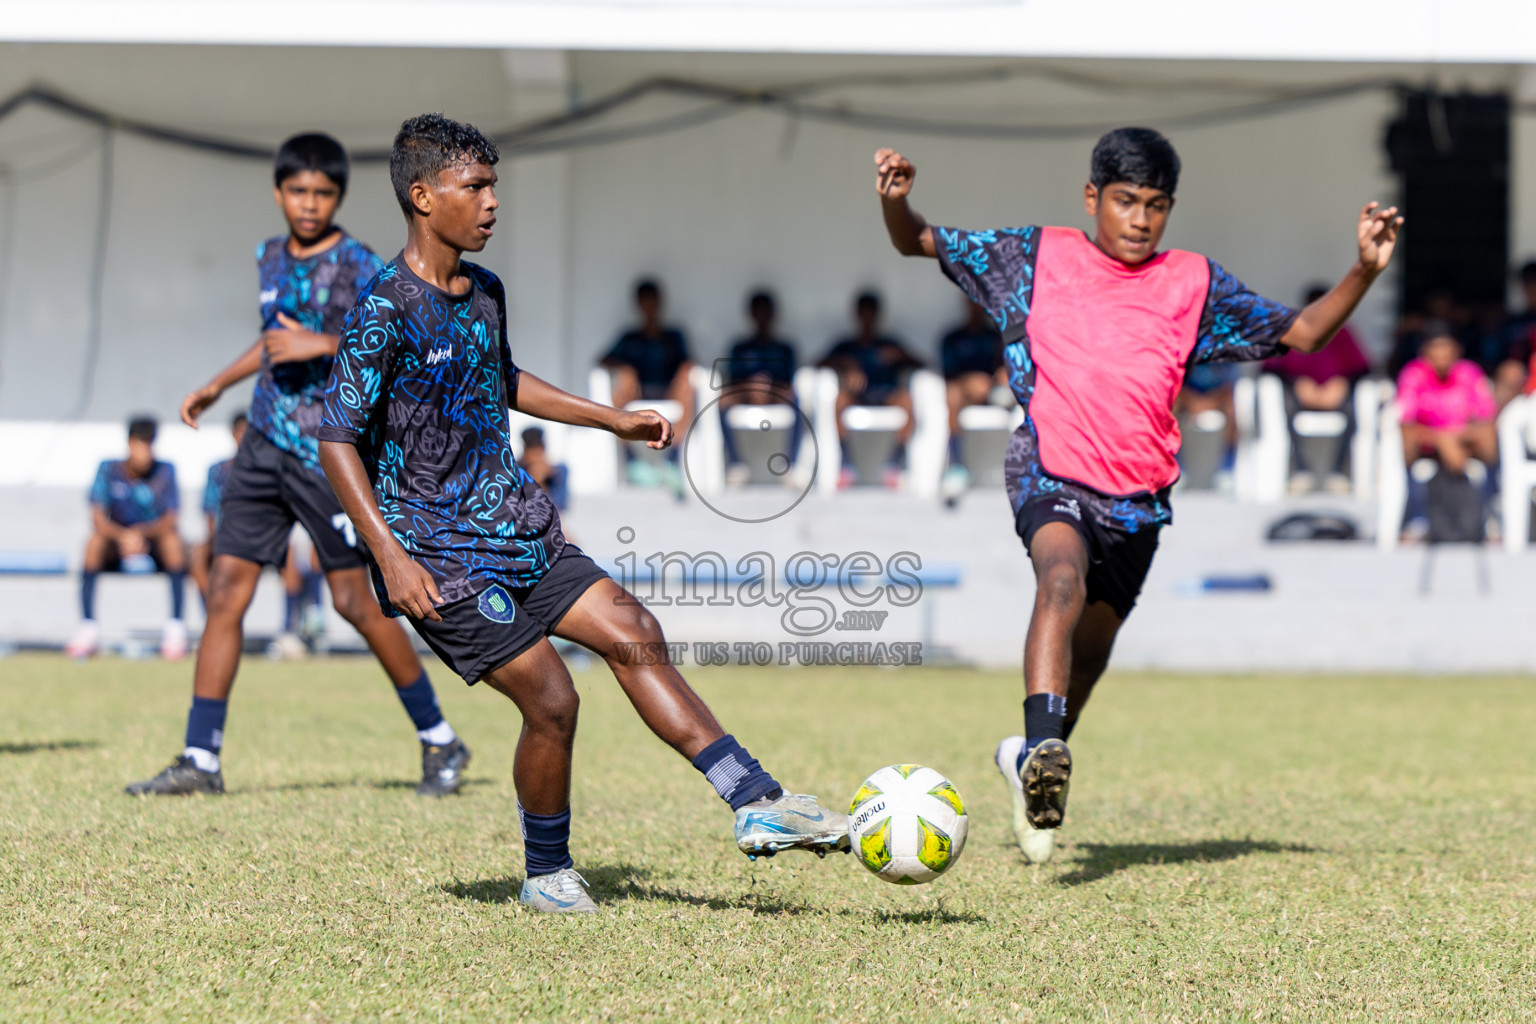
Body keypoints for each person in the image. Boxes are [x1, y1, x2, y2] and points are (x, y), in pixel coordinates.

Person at [319, 114, 847, 915]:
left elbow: (501, 379)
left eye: (495, 185)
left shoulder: (484, 291)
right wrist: (390, 556)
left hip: (516, 528)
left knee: (634, 631)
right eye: (477, 187)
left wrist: (613, 418)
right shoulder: (383, 309)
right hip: (438, 556)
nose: (494, 202)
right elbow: (335, 439)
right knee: (554, 699)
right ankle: (546, 875)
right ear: (424, 197)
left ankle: (755, 799)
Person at [873, 128, 1401, 864]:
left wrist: (1364, 269)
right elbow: (919, 242)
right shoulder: (1033, 256)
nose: (1140, 219)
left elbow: (1305, 332)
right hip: (1051, 471)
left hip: (1139, 501)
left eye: (1156, 206)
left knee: (1088, 656)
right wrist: (898, 203)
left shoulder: (1195, 283)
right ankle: (1045, 744)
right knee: (1059, 579)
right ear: (1093, 198)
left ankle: (1031, 758)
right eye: (1125, 201)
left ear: (1170, 209)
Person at [125, 132, 468, 799]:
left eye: (323, 193)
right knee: (226, 591)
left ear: (337, 197)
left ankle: (441, 741)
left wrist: (321, 341)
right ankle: (200, 758)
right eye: (298, 191)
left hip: (328, 453)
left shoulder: (360, 262)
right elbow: (272, 340)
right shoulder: (269, 256)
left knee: (357, 605)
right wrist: (217, 383)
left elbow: (407, 333)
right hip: (261, 448)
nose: (309, 204)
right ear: (279, 193)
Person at [66, 415, 189, 660]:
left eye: (149, 445)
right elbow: (98, 517)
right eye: (140, 444)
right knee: (93, 543)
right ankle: (87, 627)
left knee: (174, 543)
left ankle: (175, 628)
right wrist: (124, 536)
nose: (145, 452)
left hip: (152, 542)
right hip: (117, 542)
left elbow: (171, 518)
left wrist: (140, 535)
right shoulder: (109, 469)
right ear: (129, 443)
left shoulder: (165, 471)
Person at [1263, 284, 1374, 492]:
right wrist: (1297, 383)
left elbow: (1362, 368)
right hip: (1301, 397)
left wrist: (1342, 383)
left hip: (1335, 396)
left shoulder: (1343, 332)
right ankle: (1301, 470)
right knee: (1284, 407)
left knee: (1354, 409)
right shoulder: (1292, 331)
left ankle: (1338, 472)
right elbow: (1270, 368)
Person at [818, 290, 924, 486]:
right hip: (859, 395)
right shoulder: (847, 346)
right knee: (839, 399)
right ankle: (846, 463)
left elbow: (924, 363)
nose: (867, 318)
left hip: (885, 394)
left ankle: (895, 464)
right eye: (863, 313)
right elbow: (817, 363)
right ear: (857, 315)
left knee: (907, 400)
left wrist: (900, 356)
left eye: (871, 313)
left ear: (877, 315)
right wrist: (845, 364)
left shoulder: (889, 343)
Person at [601, 279, 695, 482]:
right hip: (637, 392)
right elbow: (603, 360)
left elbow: (689, 362)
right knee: (623, 379)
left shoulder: (673, 336)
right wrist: (624, 368)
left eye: (653, 301)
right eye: (645, 301)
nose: (650, 306)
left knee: (687, 378)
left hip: (668, 392)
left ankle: (672, 457)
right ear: (638, 304)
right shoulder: (630, 337)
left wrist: (684, 370)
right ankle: (631, 460)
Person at [1397, 324, 1498, 485]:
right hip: (1426, 444)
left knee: (1488, 436)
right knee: (1406, 437)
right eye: (1436, 347)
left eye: (1446, 346)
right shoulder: (1414, 374)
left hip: (1464, 440)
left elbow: (1487, 417)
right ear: (1424, 351)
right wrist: (1441, 440)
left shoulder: (1469, 372)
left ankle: (1493, 491)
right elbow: (1405, 422)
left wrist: (1452, 438)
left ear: (1457, 350)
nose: (1442, 353)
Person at [720, 289, 800, 482]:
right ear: (751, 314)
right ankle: (736, 463)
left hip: (776, 395)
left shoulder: (784, 348)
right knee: (723, 399)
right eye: (758, 311)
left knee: (796, 398)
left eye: (766, 311)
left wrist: (767, 387)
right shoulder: (739, 347)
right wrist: (752, 386)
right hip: (745, 395)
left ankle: (790, 464)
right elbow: (731, 380)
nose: (762, 316)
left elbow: (790, 381)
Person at [939, 300, 1007, 489]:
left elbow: (1004, 367)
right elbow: (947, 374)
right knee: (952, 394)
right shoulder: (953, 338)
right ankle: (957, 463)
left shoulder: (995, 337)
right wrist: (970, 381)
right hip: (963, 394)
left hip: (995, 394)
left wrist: (995, 379)